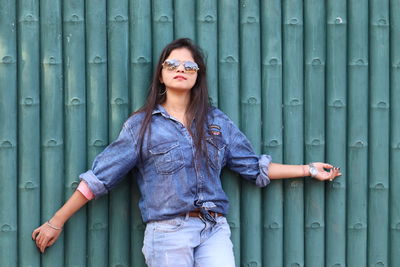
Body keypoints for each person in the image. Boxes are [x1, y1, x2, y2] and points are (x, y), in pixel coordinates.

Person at [32, 38, 341, 266]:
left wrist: (308, 169)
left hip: (213, 227)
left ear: (197, 75)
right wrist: (56, 221)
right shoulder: (142, 126)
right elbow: (100, 178)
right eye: (172, 64)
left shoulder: (216, 122)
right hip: (168, 232)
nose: (181, 69)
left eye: (189, 66)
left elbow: (253, 166)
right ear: (161, 74)